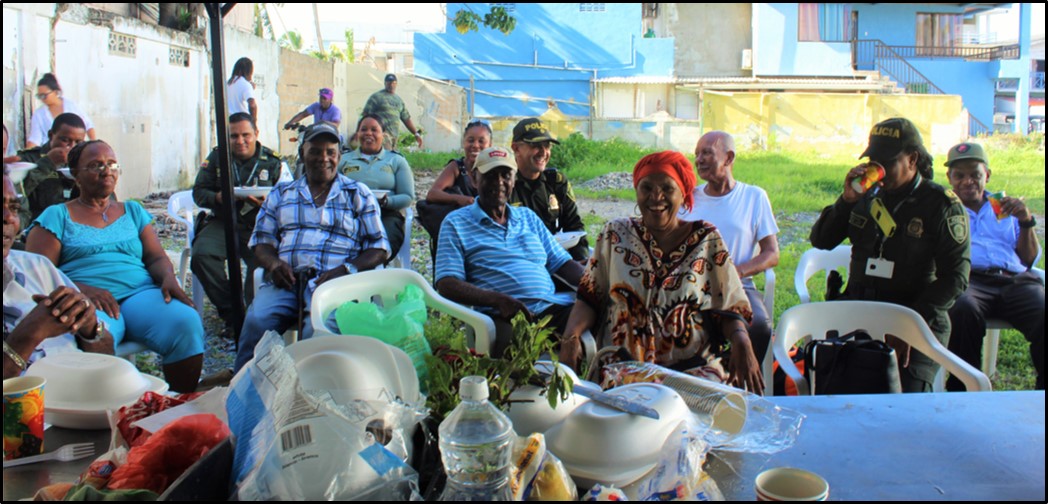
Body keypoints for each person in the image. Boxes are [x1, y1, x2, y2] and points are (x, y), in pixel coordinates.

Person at [558, 151, 764, 393]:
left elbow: (728, 305)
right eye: (646, 188)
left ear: (683, 194)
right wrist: (570, 337)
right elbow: (589, 295)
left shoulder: (706, 239)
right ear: (636, 191)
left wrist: (741, 339)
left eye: (667, 188)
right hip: (624, 370)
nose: (656, 197)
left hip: (693, 372)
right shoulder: (614, 235)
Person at [25, 141, 205, 392]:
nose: (106, 170)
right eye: (95, 165)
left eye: (111, 164)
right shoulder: (57, 215)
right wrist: (84, 290)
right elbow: (37, 271)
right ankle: (109, 411)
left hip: (140, 294)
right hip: (88, 303)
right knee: (97, 335)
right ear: (75, 174)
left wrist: (168, 278)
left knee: (185, 322)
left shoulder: (132, 210)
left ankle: (178, 404)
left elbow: (155, 257)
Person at [810, 118, 970, 393]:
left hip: (913, 315)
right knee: (836, 396)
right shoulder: (865, 195)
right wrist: (845, 201)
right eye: (874, 160)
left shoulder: (940, 205)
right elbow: (821, 240)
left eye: (888, 162)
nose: (878, 170)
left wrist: (908, 327)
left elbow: (956, 277)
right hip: (858, 310)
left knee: (903, 405)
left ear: (912, 159)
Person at [236, 124, 389, 372]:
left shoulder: (357, 193)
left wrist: (347, 269)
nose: (323, 158)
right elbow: (261, 241)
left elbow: (379, 247)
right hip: (286, 281)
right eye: (315, 151)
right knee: (256, 320)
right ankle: (246, 387)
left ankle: (307, 394)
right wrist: (274, 264)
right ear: (302, 154)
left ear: (339, 156)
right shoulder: (282, 193)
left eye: (330, 152)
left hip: (335, 284)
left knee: (318, 330)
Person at [436, 147, 585, 357]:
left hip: (552, 308)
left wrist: (592, 285)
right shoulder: (456, 223)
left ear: (514, 180)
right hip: (504, 317)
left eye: (506, 175)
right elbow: (447, 283)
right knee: (522, 358)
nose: (499, 182)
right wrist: (498, 300)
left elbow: (562, 263)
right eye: (490, 175)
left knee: (607, 310)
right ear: (474, 179)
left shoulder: (528, 217)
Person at [943, 142, 1043, 391]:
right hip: (969, 279)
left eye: (975, 175)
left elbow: (1029, 260)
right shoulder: (943, 208)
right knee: (963, 308)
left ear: (986, 175)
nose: (968, 182)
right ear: (950, 178)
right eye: (960, 176)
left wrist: (1026, 221)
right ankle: (965, 389)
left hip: (1014, 280)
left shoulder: (1005, 207)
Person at [679, 131, 779, 366]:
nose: (699, 160)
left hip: (738, 284)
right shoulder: (689, 198)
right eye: (696, 154)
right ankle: (703, 380)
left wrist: (735, 272)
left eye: (707, 153)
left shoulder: (754, 197)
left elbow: (771, 253)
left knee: (759, 327)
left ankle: (740, 384)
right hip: (692, 285)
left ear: (729, 157)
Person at [4, 166, 114, 379]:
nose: (9, 218)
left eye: (14, 207)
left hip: (85, 398)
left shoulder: (37, 267)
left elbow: (108, 354)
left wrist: (90, 327)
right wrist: (29, 334)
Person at [191, 113, 283, 335]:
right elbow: (199, 192)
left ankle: (253, 317)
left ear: (256, 134)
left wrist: (267, 205)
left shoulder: (272, 161)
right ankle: (232, 313)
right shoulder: (216, 158)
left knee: (262, 266)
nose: (240, 141)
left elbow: (287, 198)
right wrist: (218, 197)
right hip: (223, 220)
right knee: (202, 256)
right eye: (233, 136)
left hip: (258, 224)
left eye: (245, 135)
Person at [510, 118, 589, 261]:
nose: (543, 152)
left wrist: (582, 261)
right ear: (516, 148)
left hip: (557, 256)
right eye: (536, 146)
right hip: (522, 260)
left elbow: (575, 226)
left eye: (547, 146)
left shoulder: (556, 182)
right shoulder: (506, 184)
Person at [338, 115, 416, 258]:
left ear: (383, 134)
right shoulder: (344, 159)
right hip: (349, 214)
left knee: (382, 247)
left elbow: (407, 196)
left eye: (374, 130)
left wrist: (387, 201)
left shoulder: (396, 160)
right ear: (358, 134)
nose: (368, 133)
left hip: (386, 214)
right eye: (364, 129)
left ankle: (369, 269)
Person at [417, 119, 489, 262]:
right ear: (463, 142)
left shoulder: (492, 169)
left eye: (481, 141)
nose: (475, 145)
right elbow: (433, 194)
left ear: (490, 145)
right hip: (459, 232)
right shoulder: (457, 167)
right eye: (471, 140)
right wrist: (460, 199)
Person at [17, 113, 87, 225]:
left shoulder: (84, 161)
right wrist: (48, 163)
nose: (72, 146)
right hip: (37, 227)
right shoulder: (28, 159)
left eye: (78, 142)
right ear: (51, 135)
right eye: (65, 140)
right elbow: (17, 192)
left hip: (74, 228)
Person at [26, 73, 96, 148]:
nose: (42, 99)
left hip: (75, 150)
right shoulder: (39, 114)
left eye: (44, 95)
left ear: (55, 92)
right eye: (39, 96)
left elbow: (88, 126)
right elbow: (35, 138)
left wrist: (94, 146)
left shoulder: (71, 106)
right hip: (51, 152)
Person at [361, 73, 423, 150]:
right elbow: (365, 115)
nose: (391, 85)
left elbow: (406, 118)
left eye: (394, 83)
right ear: (385, 83)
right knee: (386, 158)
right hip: (382, 136)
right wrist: (361, 132)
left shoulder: (399, 100)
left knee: (392, 158)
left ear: (396, 84)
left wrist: (416, 133)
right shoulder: (376, 97)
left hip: (394, 138)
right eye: (389, 83)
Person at [227, 57, 257, 124]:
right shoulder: (246, 85)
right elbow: (252, 105)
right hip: (242, 121)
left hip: (228, 121)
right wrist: (254, 123)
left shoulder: (228, 83)